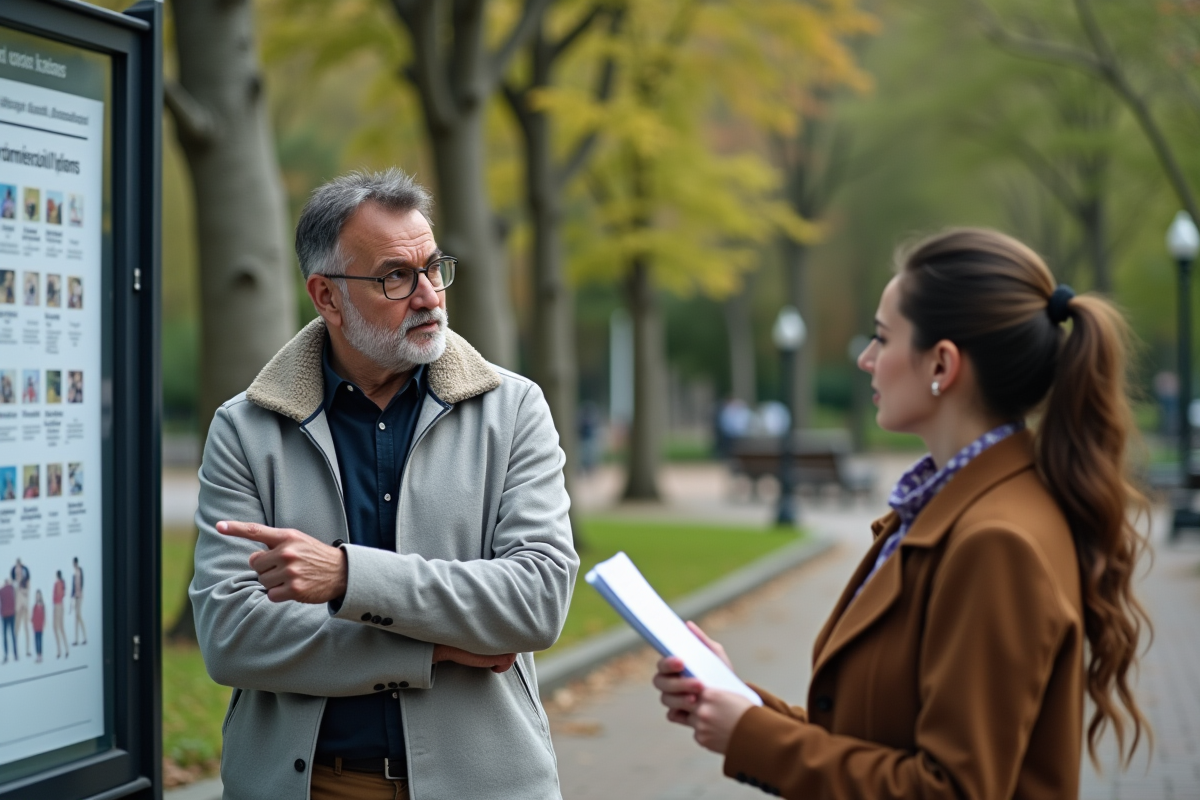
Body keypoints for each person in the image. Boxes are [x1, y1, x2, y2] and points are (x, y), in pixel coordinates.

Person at [654, 228, 1150, 798]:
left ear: (942, 363)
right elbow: (873, 736)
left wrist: (751, 735)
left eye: (882, 339)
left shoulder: (996, 541)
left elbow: (949, 789)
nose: (865, 359)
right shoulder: (954, 509)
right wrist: (740, 704)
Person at [191, 169, 576, 800]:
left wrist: (348, 577)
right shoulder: (245, 430)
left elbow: (536, 600)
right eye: (395, 276)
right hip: (314, 786)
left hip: (482, 784)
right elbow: (233, 637)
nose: (428, 296)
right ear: (327, 297)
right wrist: (434, 651)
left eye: (433, 268)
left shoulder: (513, 410)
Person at [11, 559, 30, 657]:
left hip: (24, 608)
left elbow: (27, 593)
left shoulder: (25, 581)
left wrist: (21, 590)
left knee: (26, 628)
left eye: (19, 568)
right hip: (17, 609)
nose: (18, 570)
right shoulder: (14, 582)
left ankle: (27, 650)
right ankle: (16, 652)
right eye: (17, 568)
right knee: (16, 630)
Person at [71, 558, 86, 646]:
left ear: (76, 563)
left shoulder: (80, 571)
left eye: (74, 563)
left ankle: (84, 637)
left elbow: (81, 583)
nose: (73, 565)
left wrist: (79, 592)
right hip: (76, 596)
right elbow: (74, 585)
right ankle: (76, 639)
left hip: (79, 595)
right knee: (76, 617)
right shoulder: (74, 573)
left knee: (78, 615)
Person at [53, 570, 67, 658]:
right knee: (61, 628)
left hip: (57, 605)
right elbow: (63, 594)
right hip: (61, 605)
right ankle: (66, 649)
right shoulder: (62, 583)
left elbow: (57, 595)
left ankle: (59, 651)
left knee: (56, 628)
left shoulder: (57, 583)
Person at [0, 579, 15, 664]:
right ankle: (15, 654)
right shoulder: (11, 588)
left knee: (6, 635)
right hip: (10, 614)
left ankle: (7, 655)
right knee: (12, 635)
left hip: (6, 615)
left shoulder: (2, 590)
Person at [31, 590, 44, 663]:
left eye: (38, 595)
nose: (37, 597)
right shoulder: (34, 606)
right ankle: (37, 655)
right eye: (36, 596)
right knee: (36, 641)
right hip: (35, 627)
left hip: (40, 627)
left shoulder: (42, 606)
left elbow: (43, 617)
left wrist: (42, 624)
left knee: (40, 641)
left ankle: (40, 655)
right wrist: (32, 621)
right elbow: (33, 616)